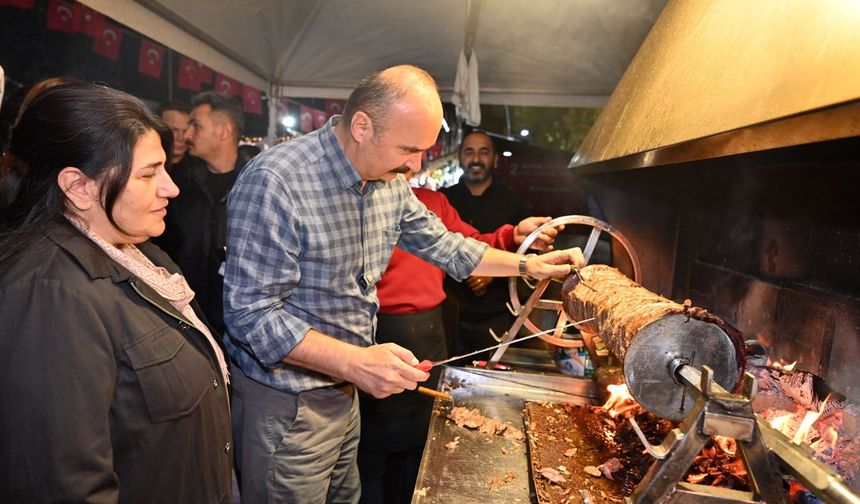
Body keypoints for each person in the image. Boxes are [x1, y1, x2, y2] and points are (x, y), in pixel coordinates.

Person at [224, 64, 585, 503]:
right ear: (362, 126)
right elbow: (250, 315)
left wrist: (529, 267)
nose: (417, 164)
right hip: (287, 402)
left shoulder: (389, 182)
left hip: (344, 394)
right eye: (409, 149)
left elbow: (449, 246)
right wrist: (355, 363)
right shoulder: (277, 181)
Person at [0, 82, 232, 503]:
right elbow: (64, 484)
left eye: (163, 168)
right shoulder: (50, 295)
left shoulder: (143, 254)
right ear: (79, 186)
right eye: (148, 174)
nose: (171, 188)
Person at [359, 182, 561, 503]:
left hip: (428, 333)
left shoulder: (431, 202)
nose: (414, 159)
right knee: (370, 448)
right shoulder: (366, 199)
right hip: (376, 334)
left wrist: (513, 238)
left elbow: (463, 244)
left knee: (424, 440)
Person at [155, 91, 246, 337]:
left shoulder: (256, 182)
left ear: (224, 131)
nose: (186, 134)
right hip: (186, 318)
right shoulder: (177, 181)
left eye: (195, 125)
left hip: (240, 324)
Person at [441, 130, 534, 354]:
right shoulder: (443, 200)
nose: (476, 159)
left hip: (498, 316)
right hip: (447, 314)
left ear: (495, 159)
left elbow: (529, 263)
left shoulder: (515, 205)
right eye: (469, 152)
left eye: (484, 152)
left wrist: (493, 271)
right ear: (460, 157)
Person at [158, 100, 193, 172]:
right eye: (174, 130)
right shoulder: (141, 162)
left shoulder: (199, 174)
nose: (180, 138)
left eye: (185, 131)